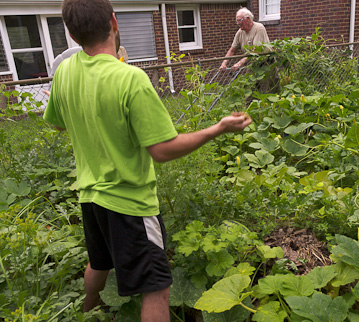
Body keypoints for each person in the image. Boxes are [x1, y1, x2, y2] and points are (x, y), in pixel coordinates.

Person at [43, 0, 252, 321]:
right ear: (113, 21)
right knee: (156, 287)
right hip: (130, 203)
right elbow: (163, 149)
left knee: (99, 262)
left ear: (72, 35)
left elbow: (57, 121)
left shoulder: (66, 72)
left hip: (89, 197)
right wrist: (216, 129)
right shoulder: (129, 78)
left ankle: (89, 313)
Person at [219, 7, 270, 72]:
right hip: (251, 64)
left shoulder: (259, 28)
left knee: (265, 81)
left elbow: (255, 50)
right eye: (237, 21)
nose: (238, 23)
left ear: (248, 19)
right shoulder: (240, 32)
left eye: (240, 20)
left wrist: (239, 63)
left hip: (266, 64)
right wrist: (224, 63)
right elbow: (232, 50)